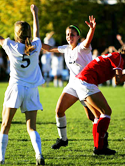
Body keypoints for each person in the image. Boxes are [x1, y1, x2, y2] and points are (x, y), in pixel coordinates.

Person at [0, 4, 45, 165]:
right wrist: (34, 13)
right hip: (32, 90)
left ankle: (1, 159)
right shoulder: (36, 46)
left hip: (16, 88)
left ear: (16, 34)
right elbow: (37, 33)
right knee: (32, 128)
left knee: (5, 125)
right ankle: (39, 154)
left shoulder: (10, 45)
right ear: (27, 33)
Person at [74, 44, 125, 155]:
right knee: (107, 112)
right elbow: (118, 81)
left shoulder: (116, 57)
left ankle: (98, 147)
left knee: (97, 115)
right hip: (86, 81)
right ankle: (100, 147)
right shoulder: (119, 58)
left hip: (80, 82)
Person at [42, 16, 96, 149]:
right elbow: (48, 48)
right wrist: (34, 43)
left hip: (86, 86)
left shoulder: (83, 47)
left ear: (78, 37)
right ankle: (63, 139)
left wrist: (92, 29)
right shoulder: (66, 48)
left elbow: (88, 40)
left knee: (92, 116)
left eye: (72, 34)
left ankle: (102, 137)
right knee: (59, 110)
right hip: (73, 85)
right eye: (67, 34)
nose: (69, 36)